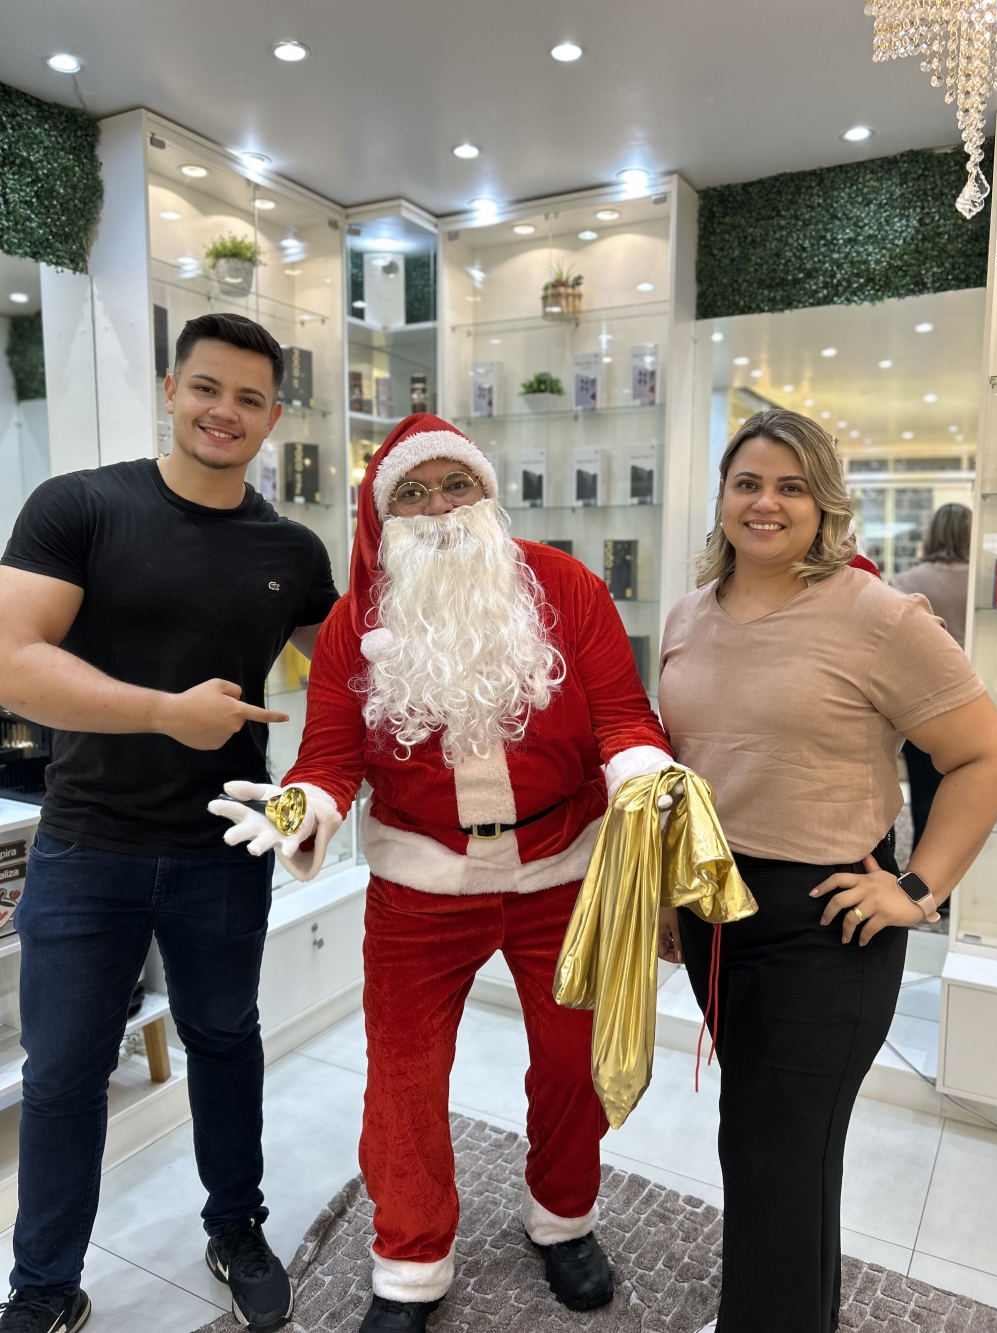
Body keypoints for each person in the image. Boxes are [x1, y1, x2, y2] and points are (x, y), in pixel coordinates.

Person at [213, 412, 673, 1333]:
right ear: (386, 517)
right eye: (413, 494)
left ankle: (563, 1218)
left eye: (455, 484)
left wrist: (640, 771)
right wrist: (300, 806)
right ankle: (410, 1263)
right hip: (420, 888)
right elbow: (330, 756)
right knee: (404, 1080)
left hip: (561, 870)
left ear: (487, 493)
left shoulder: (566, 586)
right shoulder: (354, 623)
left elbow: (624, 713)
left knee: (572, 1063)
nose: (438, 507)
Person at [0, 313, 339, 1333]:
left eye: (248, 398)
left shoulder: (292, 549)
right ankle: (44, 1285)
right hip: (85, 842)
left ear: (272, 418)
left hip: (221, 850)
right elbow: (14, 662)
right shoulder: (80, 506)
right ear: (170, 389)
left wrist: (317, 793)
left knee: (225, 1039)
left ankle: (236, 1228)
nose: (223, 411)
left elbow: (353, 680)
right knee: (64, 1072)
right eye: (206, 387)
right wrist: (162, 711)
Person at [655, 410, 997, 1333]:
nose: (765, 502)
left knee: (781, 1152)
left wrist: (919, 888)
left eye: (791, 486)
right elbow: (685, 769)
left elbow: (982, 754)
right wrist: (667, 897)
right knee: (758, 1140)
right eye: (748, 483)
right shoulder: (689, 615)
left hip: (825, 924)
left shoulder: (877, 615)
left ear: (825, 504)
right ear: (722, 497)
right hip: (713, 908)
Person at [893, 503, 973, 867]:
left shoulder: (907, 582)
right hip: (977, 698)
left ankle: (923, 871)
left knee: (925, 795)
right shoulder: (982, 581)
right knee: (974, 791)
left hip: (921, 702)